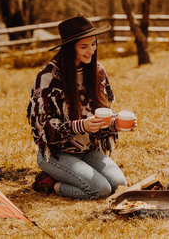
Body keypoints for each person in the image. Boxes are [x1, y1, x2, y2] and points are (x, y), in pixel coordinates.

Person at [27, 13, 133, 199]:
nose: (91, 51)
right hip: (55, 154)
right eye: (84, 46)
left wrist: (115, 124)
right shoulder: (48, 77)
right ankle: (51, 183)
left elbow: (101, 116)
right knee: (101, 190)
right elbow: (43, 129)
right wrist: (81, 125)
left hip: (87, 150)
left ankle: (70, 176)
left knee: (119, 185)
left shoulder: (97, 70)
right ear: (69, 48)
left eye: (93, 44)